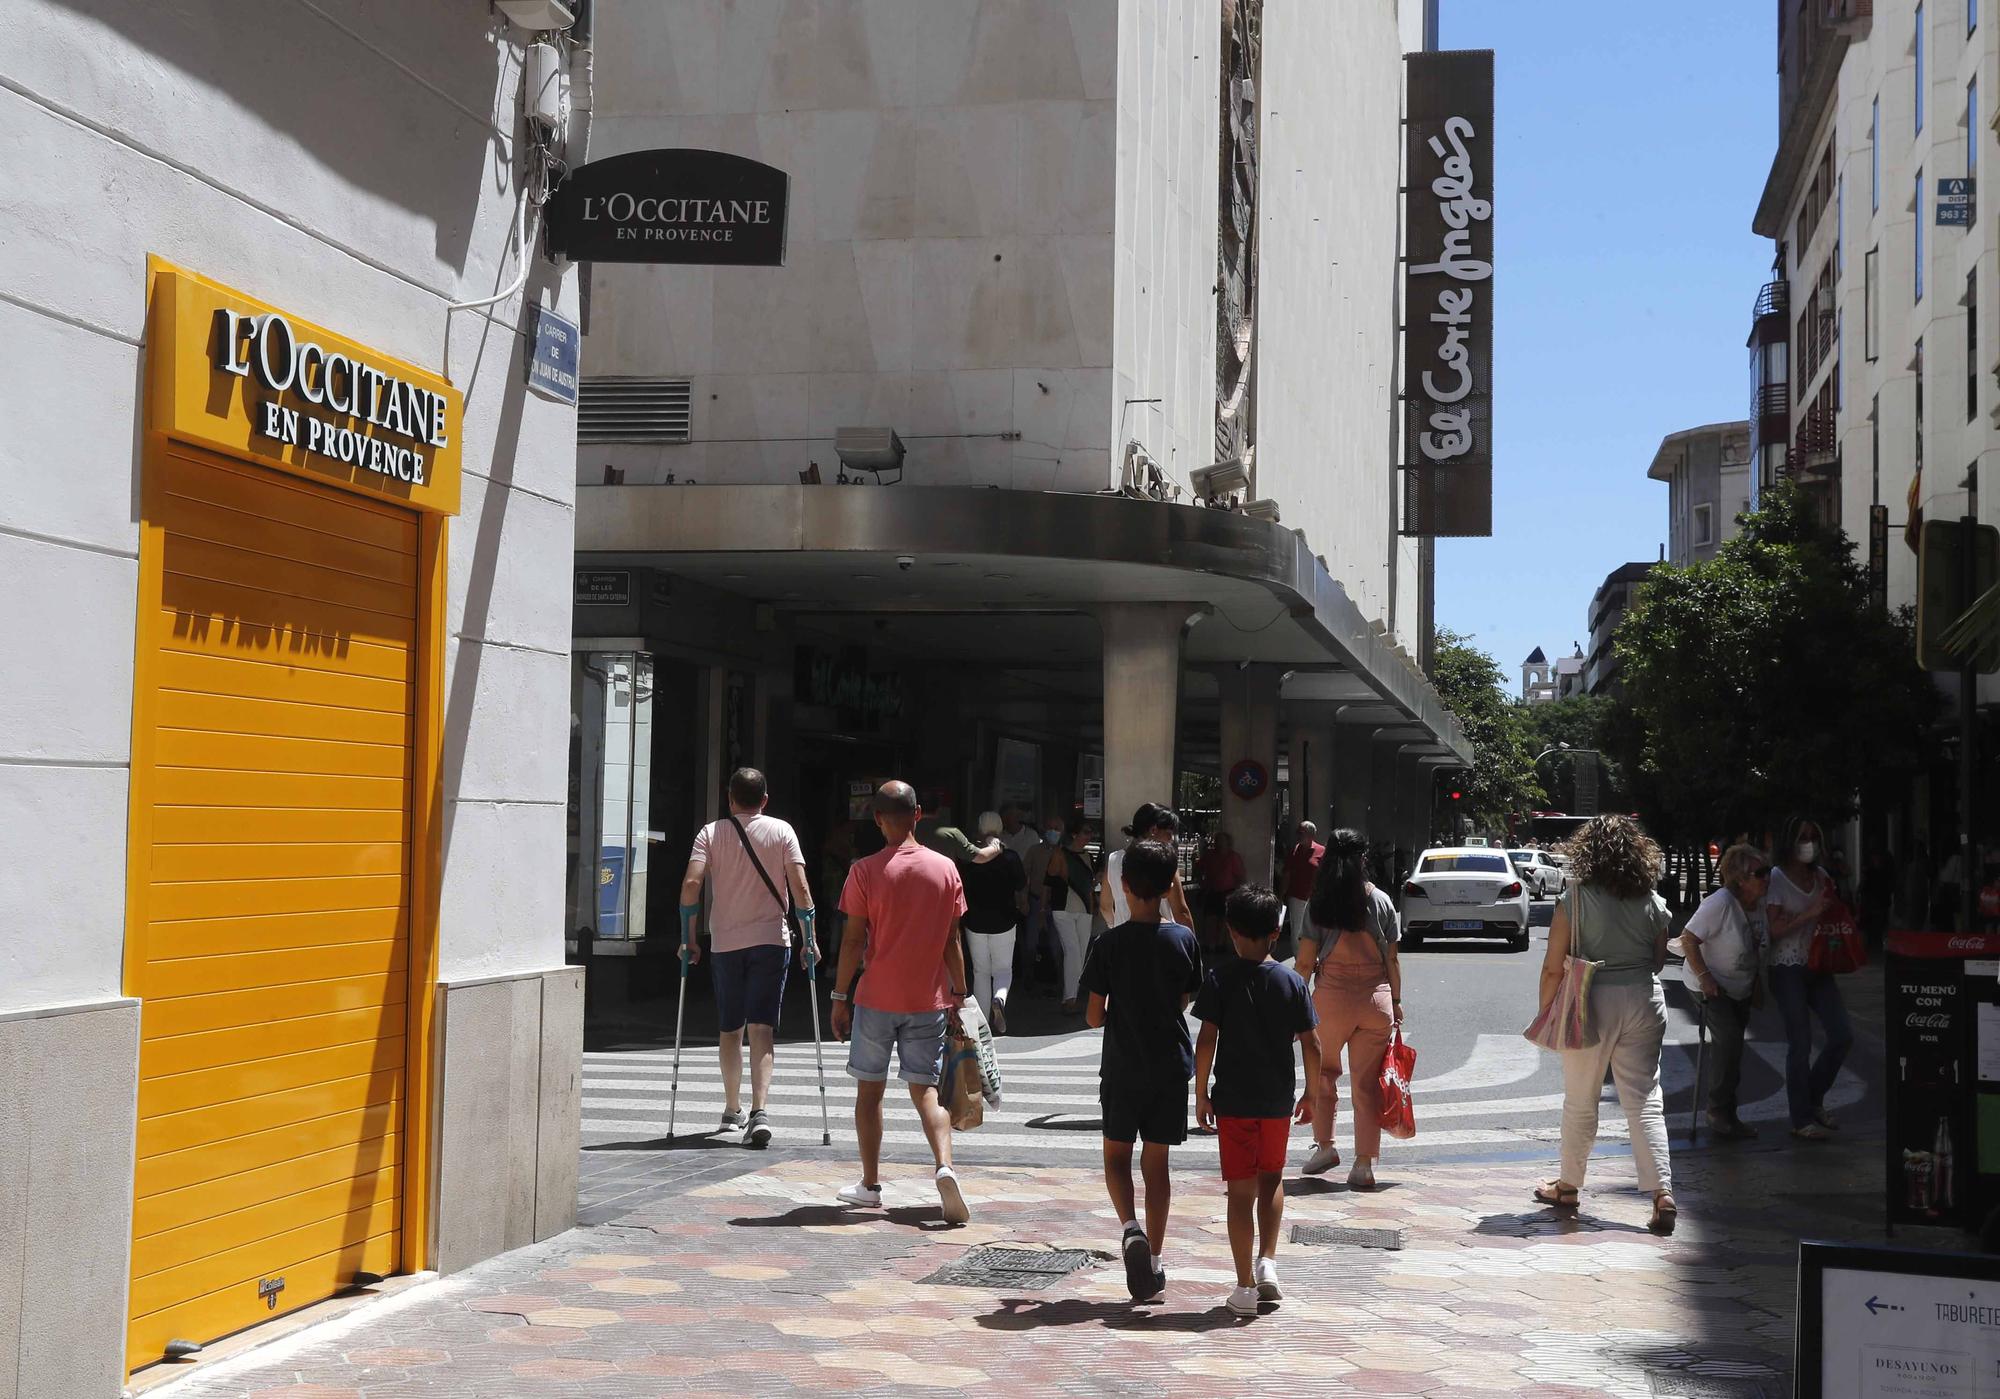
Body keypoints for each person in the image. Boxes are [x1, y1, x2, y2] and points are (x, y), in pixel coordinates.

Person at [828, 781, 974, 1223]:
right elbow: (952, 941)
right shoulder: (946, 869)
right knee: (927, 1092)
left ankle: (870, 1184)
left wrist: (839, 996)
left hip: (876, 998)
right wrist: (961, 993)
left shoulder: (865, 871)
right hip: (927, 999)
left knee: (869, 1093)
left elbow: (853, 940)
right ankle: (945, 1165)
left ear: (877, 820)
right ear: (919, 815)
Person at [1532, 815, 1677, 1235]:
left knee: (1580, 1100)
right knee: (1645, 1099)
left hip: (1589, 999)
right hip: (1644, 998)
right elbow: (1658, 959)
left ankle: (1569, 1187)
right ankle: (1662, 1193)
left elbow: (1551, 967)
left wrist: (1547, 1013)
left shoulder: (1573, 900)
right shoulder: (1651, 899)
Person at [1082, 840, 1202, 1299]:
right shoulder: (1184, 939)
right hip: (1169, 1063)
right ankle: (1154, 1259)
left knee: (1116, 1154)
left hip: (1122, 1063)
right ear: (1172, 885)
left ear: (1124, 885)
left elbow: (1094, 1016)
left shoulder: (1108, 943)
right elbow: (1184, 999)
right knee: (1158, 1164)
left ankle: (1130, 1228)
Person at [1194, 885, 1320, 1319]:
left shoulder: (1220, 979)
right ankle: (1268, 1260)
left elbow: (1206, 1039)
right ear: (1276, 932)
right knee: (1272, 1179)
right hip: (1276, 1101)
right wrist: (1312, 1093)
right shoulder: (1292, 982)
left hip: (1233, 1101)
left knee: (1239, 1192)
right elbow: (1312, 1044)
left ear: (1230, 931)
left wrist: (1200, 1093)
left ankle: (1244, 1286)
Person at [677, 767, 817, 1149]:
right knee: (762, 1029)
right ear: (765, 800)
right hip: (771, 940)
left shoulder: (710, 833)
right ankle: (760, 1110)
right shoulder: (782, 831)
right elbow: (801, 890)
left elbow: (692, 885)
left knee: (730, 1029)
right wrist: (810, 940)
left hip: (725, 942)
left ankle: (731, 1107)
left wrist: (689, 938)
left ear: (729, 797)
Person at [1295, 829, 1403, 1190]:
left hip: (1331, 999)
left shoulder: (1319, 903)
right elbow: (1393, 959)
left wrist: (1295, 1002)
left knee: (1324, 1073)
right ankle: (1364, 1164)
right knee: (1367, 1083)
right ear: (1363, 860)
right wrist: (1397, 1003)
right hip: (1376, 1000)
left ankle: (1325, 1146)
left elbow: (1306, 963)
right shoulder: (1382, 901)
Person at [1765, 815, 1856, 1141]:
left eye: (1814, 837)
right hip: (1786, 966)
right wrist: (1808, 914)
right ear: (1790, 841)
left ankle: (1813, 1098)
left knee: (1842, 1035)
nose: (1809, 843)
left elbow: (1830, 914)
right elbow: (1773, 930)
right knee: (1800, 1043)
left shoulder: (1821, 876)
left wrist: (1815, 914)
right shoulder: (1776, 879)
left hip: (1819, 965)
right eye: (1803, 837)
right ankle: (1800, 1118)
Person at [1681, 845, 1771, 1141]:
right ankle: (1718, 1111)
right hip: (1709, 983)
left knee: (1734, 1049)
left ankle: (1728, 1114)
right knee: (1729, 1040)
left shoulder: (1758, 903)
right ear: (1740, 878)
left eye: (1766, 871)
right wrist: (1705, 977)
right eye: (1760, 873)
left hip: (1739, 985)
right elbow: (1689, 938)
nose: (1766, 878)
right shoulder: (1720, 902)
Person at [961, 810, 1027, 1033]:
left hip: (975, 920)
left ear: (980, 828)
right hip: (1005, 919)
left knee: (980, 971)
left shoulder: (970, 857)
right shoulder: (1011, 857)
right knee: (1003, 969)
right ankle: (999, 999)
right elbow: (1020, 885)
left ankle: (981, 1022)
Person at [1101, 802, 1196, 929]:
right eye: (1169, 832)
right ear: (1153, 830)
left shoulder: (1113, 860)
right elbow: (1181, 913)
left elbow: (1105, 907)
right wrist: (1189, 943)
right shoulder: (1165, 861)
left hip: (1124, 942)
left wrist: (1114, 927)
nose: (1171, 838)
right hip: (1163, 940)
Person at [1046, 823, 1098, 1012]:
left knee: (1080, 953)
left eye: (1090, 832)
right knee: (1073, 951)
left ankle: (1071, 995)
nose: (1089, 836)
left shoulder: (1089, 856)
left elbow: (1090, 886)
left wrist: (1093, 906)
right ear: (1074, 834)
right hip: (1063, 908)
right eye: (1086, 831)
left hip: (1084, 909)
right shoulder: (1060, 853)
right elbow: (1049, 881)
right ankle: (1070, 999)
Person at [1193, 831, 1246, 970]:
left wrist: (1238, 893)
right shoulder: (1210, 855)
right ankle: (1210, 945)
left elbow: (1240, 877)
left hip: (1228, 892)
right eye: (1218, 841)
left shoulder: (1233, 857)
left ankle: (1220, 945)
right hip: (1212, 891)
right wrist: (1202, 883)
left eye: (1223, 841)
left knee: (1224, 920)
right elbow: (1198, 868)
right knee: (1210, 918)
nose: (1220, 844)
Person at [1281, 822, 1324, 958]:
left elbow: (1327, 874)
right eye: (1297, 832)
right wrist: (1281, 894)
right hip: (1296, 896)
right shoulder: (1294, 851)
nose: (1298, 836)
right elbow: (1287, 874)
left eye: (1301, 833)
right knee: (1297, 930)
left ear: (1311, 835)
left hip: (1315, 897)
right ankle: (1299, 959)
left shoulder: (1322, 851)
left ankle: (1315, 957)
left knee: (1315, 928)